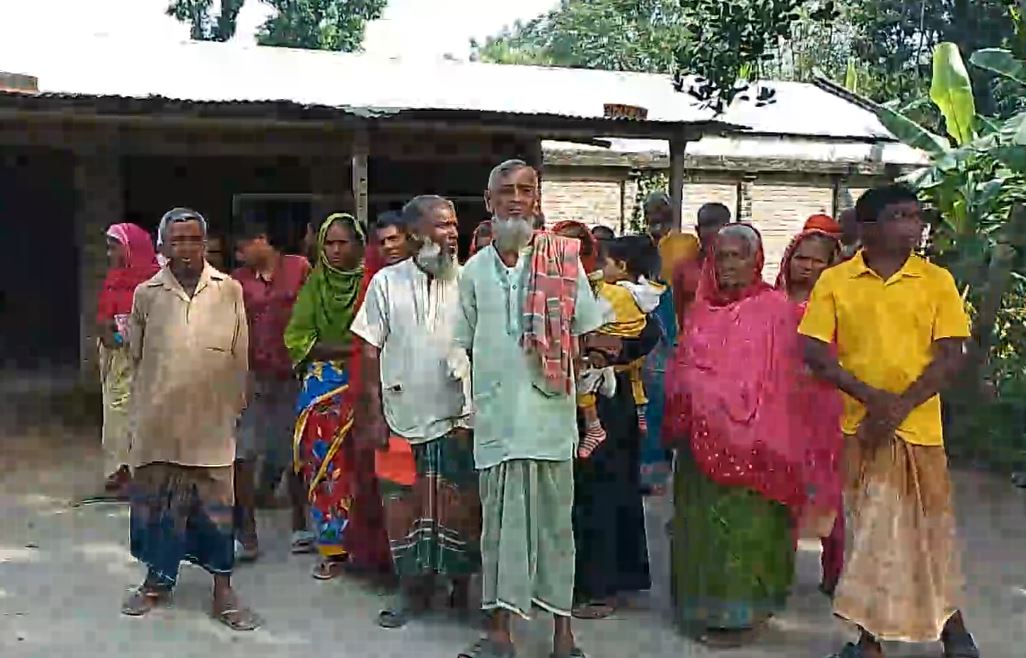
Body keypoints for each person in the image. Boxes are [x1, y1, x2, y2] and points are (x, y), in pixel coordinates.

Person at [800, 185, 979, 658]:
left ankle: (953, 629)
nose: (914, 226)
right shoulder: (836, 281)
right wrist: (872, 400)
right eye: (900, 216)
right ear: (868, 228)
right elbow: (814, 350)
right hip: (861, 431)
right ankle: (869, 641)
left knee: (929, 534)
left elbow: (952, 353)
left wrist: (898, 406)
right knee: (871, 538)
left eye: (916, 217)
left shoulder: (935, 280)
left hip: (920, 432)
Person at [454, 159, 603, 658]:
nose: (516, 199)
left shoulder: (563, 260)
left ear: (537, 200)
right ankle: (500, 632)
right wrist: (465, 411)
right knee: (498, 532)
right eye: (506, 190)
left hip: (550, 421)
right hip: (497, 421)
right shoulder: (473, 271)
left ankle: (564, 635)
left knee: (556, 530)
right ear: (489, 200)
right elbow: (461, 343)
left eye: (526, 190)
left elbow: (586, 332)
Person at [664, 223, 810, 647]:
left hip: (758, 445)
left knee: (749, 529)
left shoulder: (778, 311)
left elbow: (790, 380)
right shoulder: (700, 310)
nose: (728, 265)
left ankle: (743, 614)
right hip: (701, 441)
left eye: (738, 256)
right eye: (721, 256)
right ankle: (699, 608)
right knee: (702, 527)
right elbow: (682, 368)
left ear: (756, 261)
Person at [121, 207, 258, 631]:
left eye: (194, 239)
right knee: (157, 506)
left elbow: (240, 354)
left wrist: (235, 406)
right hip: (159, 423)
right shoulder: (146, 294)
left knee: (217, 509)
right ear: (162, 246)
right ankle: (156, 581)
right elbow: (136, 355)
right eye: (177, 240)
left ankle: (223, 589)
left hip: (212, 423)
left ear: (206, 243)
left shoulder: (228, 290)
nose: (186, 248)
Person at [353, 194, 479, 629]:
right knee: (401, 509)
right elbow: (369, 349)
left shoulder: (470, 279)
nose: (452, 233)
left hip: (458, 419)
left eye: (454, 224)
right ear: (414, 234)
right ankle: (411, 591)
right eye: (442, 225)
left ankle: (460, 591)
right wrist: (373, 414)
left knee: (459, 508)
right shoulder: (386, 283)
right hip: (398, 417)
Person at [570, 235, 659, 621]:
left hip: (608, 404)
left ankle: (602, 586)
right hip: (571, 401)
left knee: (603, 492)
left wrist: (609, 350)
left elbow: (646, 335)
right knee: (580, 495)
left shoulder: (614, 297)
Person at [284, 212, 367, 580]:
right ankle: (333, 548)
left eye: (342, 243)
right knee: (327, 468)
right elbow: (298, 339)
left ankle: (366, 548)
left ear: (358, 245)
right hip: (323, 391)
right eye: (328, 243)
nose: (335, 250)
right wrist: (353, 350)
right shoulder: (314, 287)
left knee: (363, 468)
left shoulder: (374, 282)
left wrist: (359, 355)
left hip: (369, 384)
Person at [231, 218, 312, 561]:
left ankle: (301, 526)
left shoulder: (299, 268)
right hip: (252, 376)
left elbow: (311, 314)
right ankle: (245, 533)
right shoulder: (237, 281)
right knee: (243, 453)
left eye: (243, 247)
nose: (240, 255)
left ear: (262, 240)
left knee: (294, 451)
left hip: (293, 374)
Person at [774, 223, 846, 596]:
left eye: (819, 261)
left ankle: (835, 572)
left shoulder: (841, 304)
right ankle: (777, 569)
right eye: (801, 258)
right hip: (780, 406)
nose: (808, 267)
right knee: (782, 491)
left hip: (826, 405)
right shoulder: (772, 302)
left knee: (831, 492)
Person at [96, 222, 159, 497]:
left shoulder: (155, 282)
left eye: (115, 247)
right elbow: (104, 314)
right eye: (109, 248)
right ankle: (118, 469)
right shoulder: (114, 278)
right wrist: (106, 332)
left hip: (146, 359)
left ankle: (139, 472)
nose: (110, 254)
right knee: (116, 414)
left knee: (141, 415)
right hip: (116, 359)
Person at [671, 202, 731, 329]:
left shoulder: (739, 271)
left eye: (717, 225)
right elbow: (676, 311)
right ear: (697, 230)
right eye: (706, 226)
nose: (711, 232)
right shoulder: (683, 269)